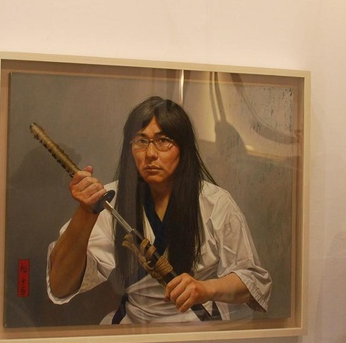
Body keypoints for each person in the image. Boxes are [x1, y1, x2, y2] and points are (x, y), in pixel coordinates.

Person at [46, 96, 271, 323]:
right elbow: (60, 286)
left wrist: (204, 289)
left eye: (163, 140)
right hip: (137, 325)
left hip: (198, 327)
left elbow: (253, 281)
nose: (150, 154)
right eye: (141, 141)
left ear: (183, 148)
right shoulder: (110, 200)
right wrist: (86, 212)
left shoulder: (214, 202)